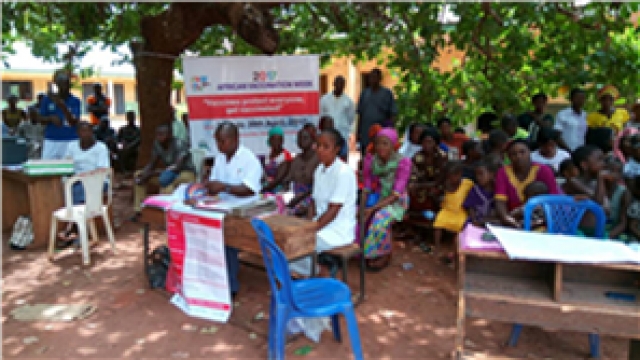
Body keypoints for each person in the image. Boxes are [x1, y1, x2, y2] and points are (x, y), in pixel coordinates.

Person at [205, 122, 263, 297]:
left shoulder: (249, 160)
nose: (219, 146)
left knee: (227, 236)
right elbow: (213, 182)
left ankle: (231, 286)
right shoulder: (220, 158)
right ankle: (211, 278)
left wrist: (224, 187)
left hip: (244, 209)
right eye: (218, 142)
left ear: (235, 139)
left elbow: (249, 189)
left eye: (223, 141)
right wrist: (211, 185)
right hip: (223, 206)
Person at [290, 128, 357, 276]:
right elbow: (314, 202)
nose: (320, 150)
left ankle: (320, 272)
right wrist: (307, 223)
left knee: (296, 244)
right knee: (288, 242)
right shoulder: (319, 170)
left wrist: (312, 229)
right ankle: (316, 272)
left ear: (337, 149)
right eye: (318, 145)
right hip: (320, 226)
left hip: (338, 231)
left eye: (325, 147)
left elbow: (333, 211)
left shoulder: (344, 173)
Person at [361, 128, 411, 271]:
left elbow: (396, 193)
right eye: (378, 143)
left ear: (393, 145)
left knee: (380, 218)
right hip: (379, 197)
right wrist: (364, 207)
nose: (380, 147)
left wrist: (372, 209)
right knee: (359, 215)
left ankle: (384, 254)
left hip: (397, 201)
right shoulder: (371, 160)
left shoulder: (403, 162)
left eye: (385, 143)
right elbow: (367, 187)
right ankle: (366, 251)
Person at [57, 122, 111, 244]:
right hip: (76, 180)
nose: (85, 134)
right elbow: (67, 164)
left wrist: (84, 177)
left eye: (88, 131)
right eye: (82, 131)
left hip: (97, 181)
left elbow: (102, 170)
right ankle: (77, 227)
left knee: (78, 190)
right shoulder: (71, 146)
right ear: (78, 133)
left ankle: (75, 228)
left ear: (92, 132)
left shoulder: (100, 148)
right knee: (70, 187)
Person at [131, 125, 196, 221]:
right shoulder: (157, 144)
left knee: (167, 183)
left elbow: (176, 167)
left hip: (184, 173)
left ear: (170, 135)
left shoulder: (179, 144)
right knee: (138, 175)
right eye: (157, 135)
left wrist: (152, 174)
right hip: (168, 173)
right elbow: (152, 163)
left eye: (162, 135)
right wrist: (144, 174)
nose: (159, 137)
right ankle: (139, 211)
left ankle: (165, 215)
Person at [495, 139, 560, 227]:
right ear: (509, 157)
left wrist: (539, 220)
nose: (518, 156)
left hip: (540, 219)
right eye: (513, 154)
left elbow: (553, 200)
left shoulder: (544, 171)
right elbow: (500, 200)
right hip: (512, 218)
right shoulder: (503, 172)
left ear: (530, 152)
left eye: (522, 152)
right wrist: (506, 218)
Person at [263, 128, 320, 217]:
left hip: (311, 196)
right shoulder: (296, 159)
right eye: (299, 138)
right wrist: (281, 194)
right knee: (274, 207)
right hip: (295, 195)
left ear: (313, 140)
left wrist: (299, 197)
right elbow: (287, 180)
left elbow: (318, 187)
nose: (301, 141)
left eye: (305, 138)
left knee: (296, 210)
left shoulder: (318, 159)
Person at [39, 70, 81, 160]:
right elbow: (41, 120)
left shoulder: (75, 101)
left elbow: (73, 122)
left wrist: (62, 106)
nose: (64, 87)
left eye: (66, 84)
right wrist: (50, 118)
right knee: (48, 169)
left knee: (69, 169)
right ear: (56, 84)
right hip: (51, 139)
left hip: (70, 140)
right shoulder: (47, 100)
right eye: (61, 84)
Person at [356, 68, 398, 158]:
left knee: (380, 158)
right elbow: (360, 114)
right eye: (370, 77)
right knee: (366, 158)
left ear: (380, 79)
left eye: (375, 77)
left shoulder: (387, 93)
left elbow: (392, 114)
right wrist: (358, 132)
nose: (372, 80)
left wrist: (390, 132)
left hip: (381, 134)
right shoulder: (364, 93)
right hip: (366, 134)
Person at [409, 128, 447, 213]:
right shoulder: (417, 157)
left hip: (438, 186)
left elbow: (441, 180)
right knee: (411, 190)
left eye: (430, 142)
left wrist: (420, 185)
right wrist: (413, 183)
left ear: (435, 143)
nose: (426, 145)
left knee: (435, 193)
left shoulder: (442, 157)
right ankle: (417, 214)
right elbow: (413, 176)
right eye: (424, 142)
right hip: (422, 185)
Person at [320, 75, 355, 159]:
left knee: (342, 160)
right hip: (327, 135)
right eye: (337, 83)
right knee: (327, 159)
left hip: (342, 135)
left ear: (344, 85)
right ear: (333, 84)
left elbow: (351, 118)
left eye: (342, 84)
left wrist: (347, 130)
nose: (339, 85)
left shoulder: (348, 101)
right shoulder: (324, 99)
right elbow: (321, 116)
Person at [464, 159, 500, 227]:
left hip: (493, 222)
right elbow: (470, 207)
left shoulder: (498, 190)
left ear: (491, 174)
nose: (478, 177)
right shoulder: (475, 190)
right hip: (477, 221)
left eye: (481, 174)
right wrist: (474, 220)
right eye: (476, 174)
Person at [603, 156, 630, 241]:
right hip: (592, 229)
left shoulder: (624, 193)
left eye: (618, 171)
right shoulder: (595, 187)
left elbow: (623, 222)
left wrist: (608, 237)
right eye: (611, 170)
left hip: (612, 231)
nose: (614, 174)